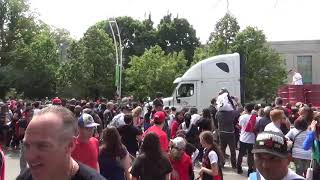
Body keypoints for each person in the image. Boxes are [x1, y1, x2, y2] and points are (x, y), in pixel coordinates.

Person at [16, 106, 106, 180]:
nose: (29, 157)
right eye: (26, 145)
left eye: (42, 146)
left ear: (70, 145)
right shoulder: (24, 178)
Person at [215, 88, 237, 169]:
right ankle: (234, 165)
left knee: (222, 149)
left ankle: (222, 163)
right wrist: (236, 101)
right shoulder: (231, 113)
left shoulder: (218, 113)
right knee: (232, 150)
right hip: (230, 133)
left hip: (221, 132)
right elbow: (239, 110)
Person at [237, 104, 256, 175]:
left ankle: (238, 168)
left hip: (243, 138)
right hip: (251, 139)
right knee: (250, 155)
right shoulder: (254, 118)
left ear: (245, 109)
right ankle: (250, 170)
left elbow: (240, 126)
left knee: (240, 154)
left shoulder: (241, 117)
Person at [303, 112, 320, 179]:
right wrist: (312, 132)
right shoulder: (313, 132)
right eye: (318, 122)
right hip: (316, 163)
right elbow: (305, 147)